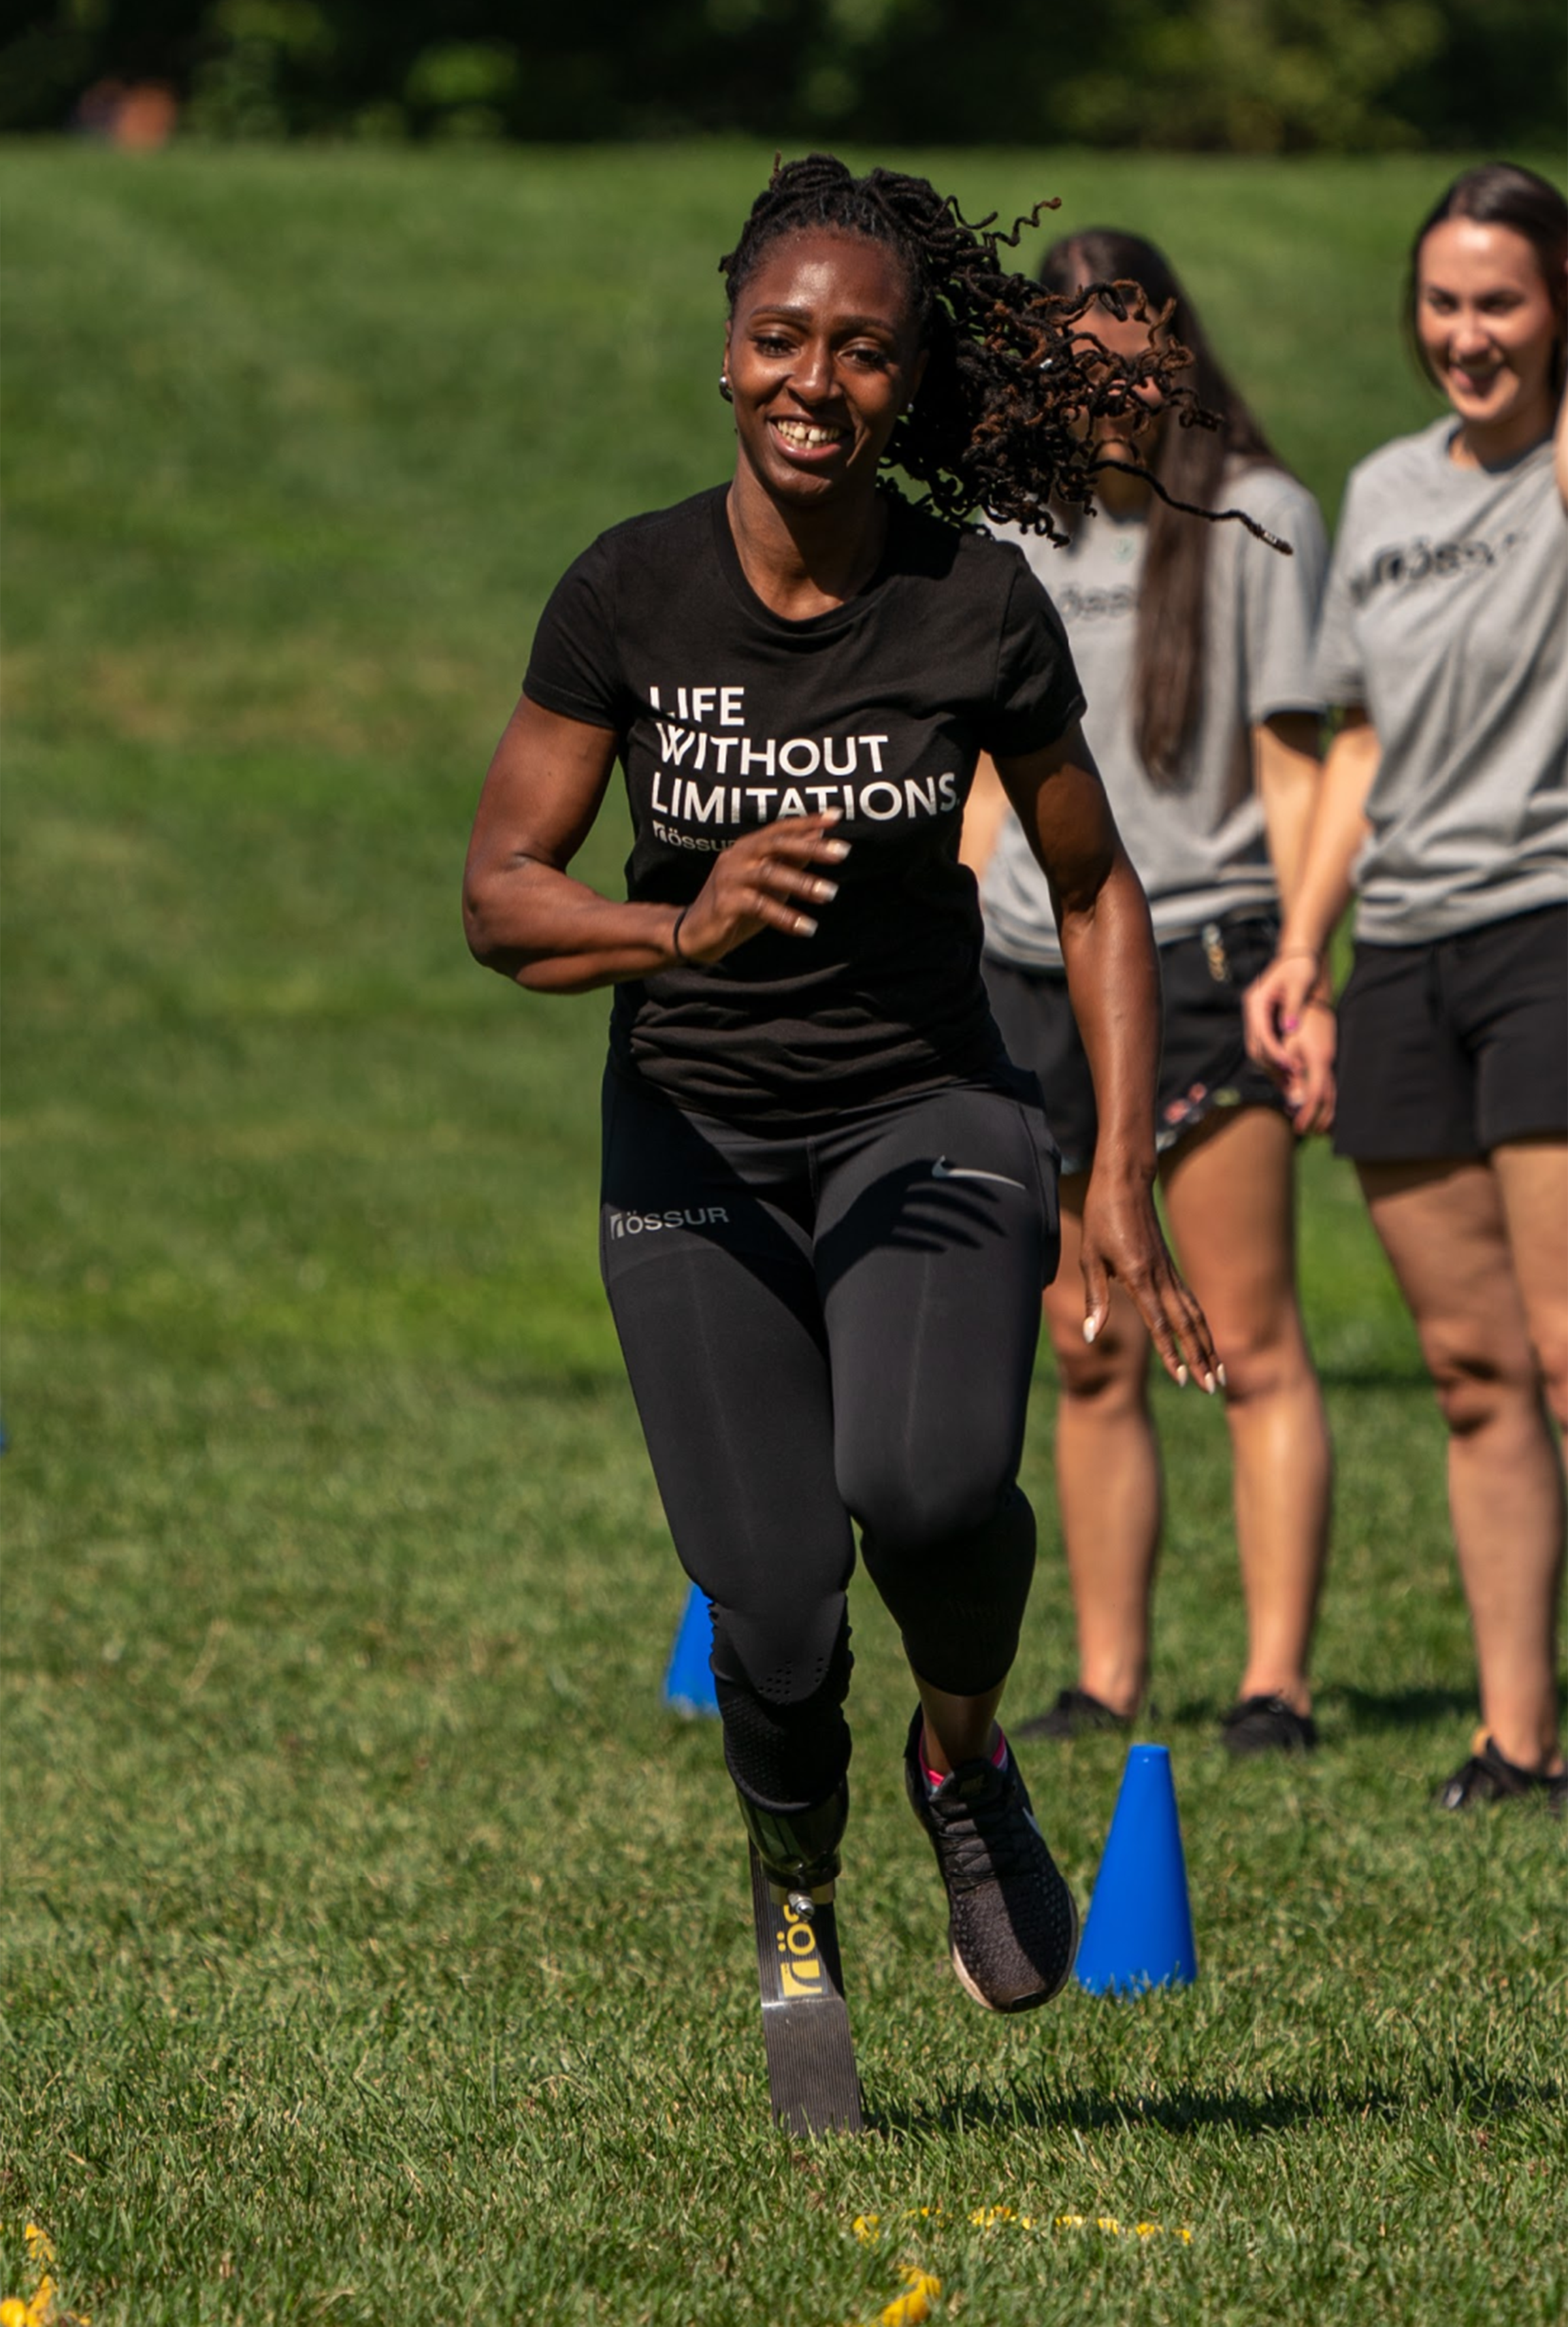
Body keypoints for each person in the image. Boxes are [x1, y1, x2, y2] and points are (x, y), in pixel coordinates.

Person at [463, 154, 1218, 2015]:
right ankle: (795, 1887)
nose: (817, 379)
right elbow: (501, 893)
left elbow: (1097, 885)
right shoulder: (627, 593)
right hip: (699, 1133)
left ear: (910, 383)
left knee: (930, 1482)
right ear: (725, 358)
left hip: (928, 1110)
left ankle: (961, 1760)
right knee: (778, 1602)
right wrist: (678, 930)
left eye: (863, 352)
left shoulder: (975, 605)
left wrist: (1118, 1176)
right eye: (780, 339)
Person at [963, 229, 1333, 1756]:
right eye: (1070, 368)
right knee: (1088, 1340)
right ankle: (1106, 1673)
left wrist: (1310, 958)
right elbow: (980, 773)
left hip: (1206, 961)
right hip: (1029, 972)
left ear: (1174, 350)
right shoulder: (1006, 532)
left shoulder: (1259, 513)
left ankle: (1274, 1684)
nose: (1103, 396)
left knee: (1244, 1331)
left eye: (1127, 364)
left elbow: (1300, 768)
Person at [1247, 162, 1568, 1810]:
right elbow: (1351, 741)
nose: (1467, 332)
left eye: (1501, 298)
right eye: (1442, 301)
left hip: (1553, 932)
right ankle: (1519, 1739)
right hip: (1406, 952)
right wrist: (1304, 951)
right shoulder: (1381, 493)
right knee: (1470, 1369)